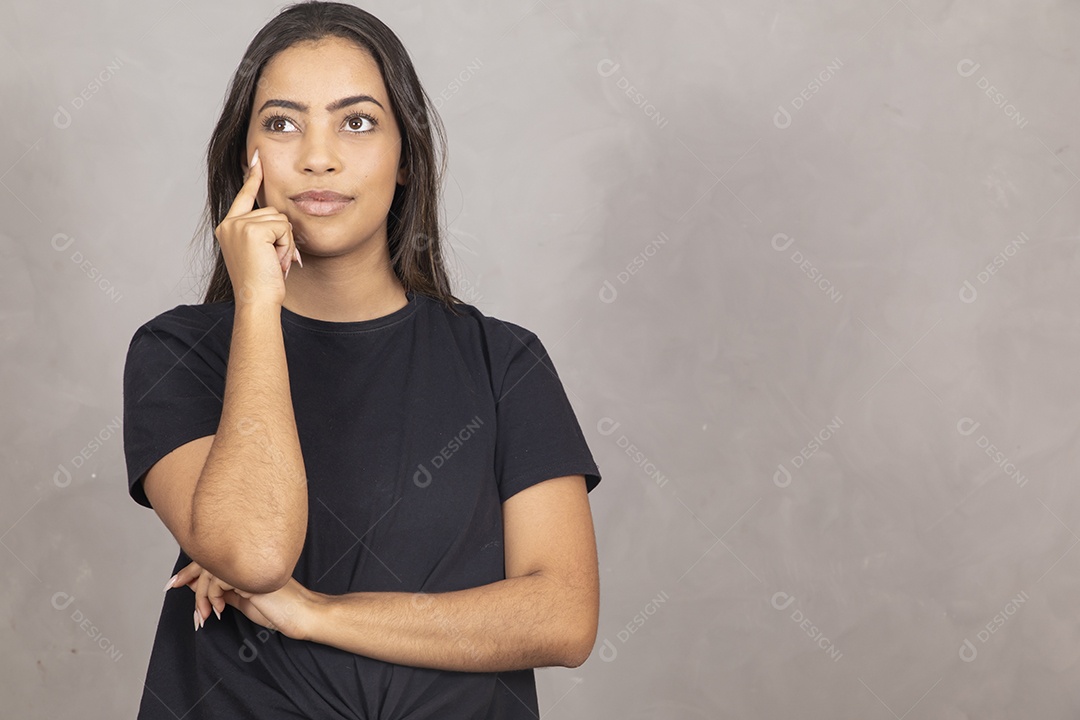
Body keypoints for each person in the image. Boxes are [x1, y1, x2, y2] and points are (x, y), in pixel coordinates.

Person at [121, 2, 603, 718]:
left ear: (405, 159)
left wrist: (309, 612)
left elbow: (563, 618)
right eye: (282, 123)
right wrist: (258, 305)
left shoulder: (504, 363)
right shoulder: (177, 353)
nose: (319, 156)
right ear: (241, 160)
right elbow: (254, 554)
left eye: (357, 121)